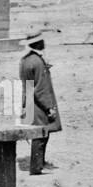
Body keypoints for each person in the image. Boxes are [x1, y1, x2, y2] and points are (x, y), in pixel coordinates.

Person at [20, 31, 61, 175]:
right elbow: (41, 89)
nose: (44, 43)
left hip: (29, 101)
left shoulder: (25, 60)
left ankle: (39, 163)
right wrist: (49, 107)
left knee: (38, 133)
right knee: (41, 133)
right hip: (38, 104)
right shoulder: (37, 62)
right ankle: (36, 166)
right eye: (41, 41)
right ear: (37, 43)